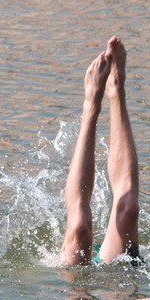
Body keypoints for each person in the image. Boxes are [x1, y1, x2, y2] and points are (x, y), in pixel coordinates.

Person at [60, 36, 139, 265]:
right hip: (77, 286)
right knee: (79, 226)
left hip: (115, 280)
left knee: (130, 207)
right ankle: (92, 104)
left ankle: (116, 89)